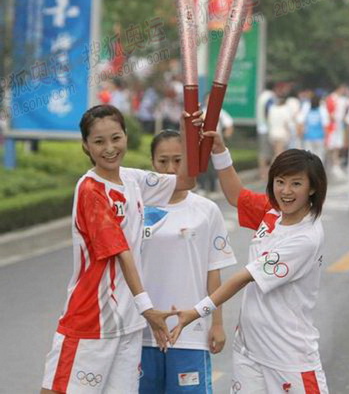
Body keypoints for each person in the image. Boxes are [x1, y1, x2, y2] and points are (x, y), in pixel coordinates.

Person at [40, 105, 196, 394]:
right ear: (85, 146)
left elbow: (186, 180)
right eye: (99, 142)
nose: (109, 148)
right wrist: (147, 308)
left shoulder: (133, 179)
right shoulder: (90, 190)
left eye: (116, 138)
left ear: (126, 136)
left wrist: (187, 129)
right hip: (90, 321)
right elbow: (120, 252)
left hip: (128, 323)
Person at [171, 132, 329, 394]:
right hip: (250, 350)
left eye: (296, 184)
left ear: (312, 188)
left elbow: (243, 277)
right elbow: (236, 196)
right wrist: (219, 150)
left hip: (289, 357)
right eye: (280, 182)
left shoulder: (306, 237)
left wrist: (196, 311)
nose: (286, 191)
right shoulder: (274, 211)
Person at [139, 129, 237, 393]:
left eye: (178, 160)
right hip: (141, 332)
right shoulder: (136, 208)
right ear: (152, 163)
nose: (170, 169)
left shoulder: (206, 210)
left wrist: (216, 324)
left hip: (189, 334)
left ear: (190, 161)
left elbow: (213, 274)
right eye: (162, 161)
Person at [297, 94, 329, 163]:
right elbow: (325, 125)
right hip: (319, 137)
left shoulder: (306, 110)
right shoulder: (322, 110)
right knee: (319, 157)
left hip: (308, 137)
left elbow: (300, 122)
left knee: (308, 158)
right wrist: (326, 138)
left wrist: (299, 135)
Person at [325, 85, 348, 180]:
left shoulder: (343, 99)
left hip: (340, 126)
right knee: (331, 147)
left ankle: (336, 165)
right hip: (332, 127)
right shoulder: (331, 98)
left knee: (337, 147)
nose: (344, 90)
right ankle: (332, 165)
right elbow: (329, 114)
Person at [256, 82, 277, 179]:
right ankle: (266, 174)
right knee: (269, 152)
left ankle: (262, 172)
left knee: (262, 151)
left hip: (260, 126)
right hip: (267, 127)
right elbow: (269, 111)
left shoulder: (261, 96)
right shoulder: (270, 97)